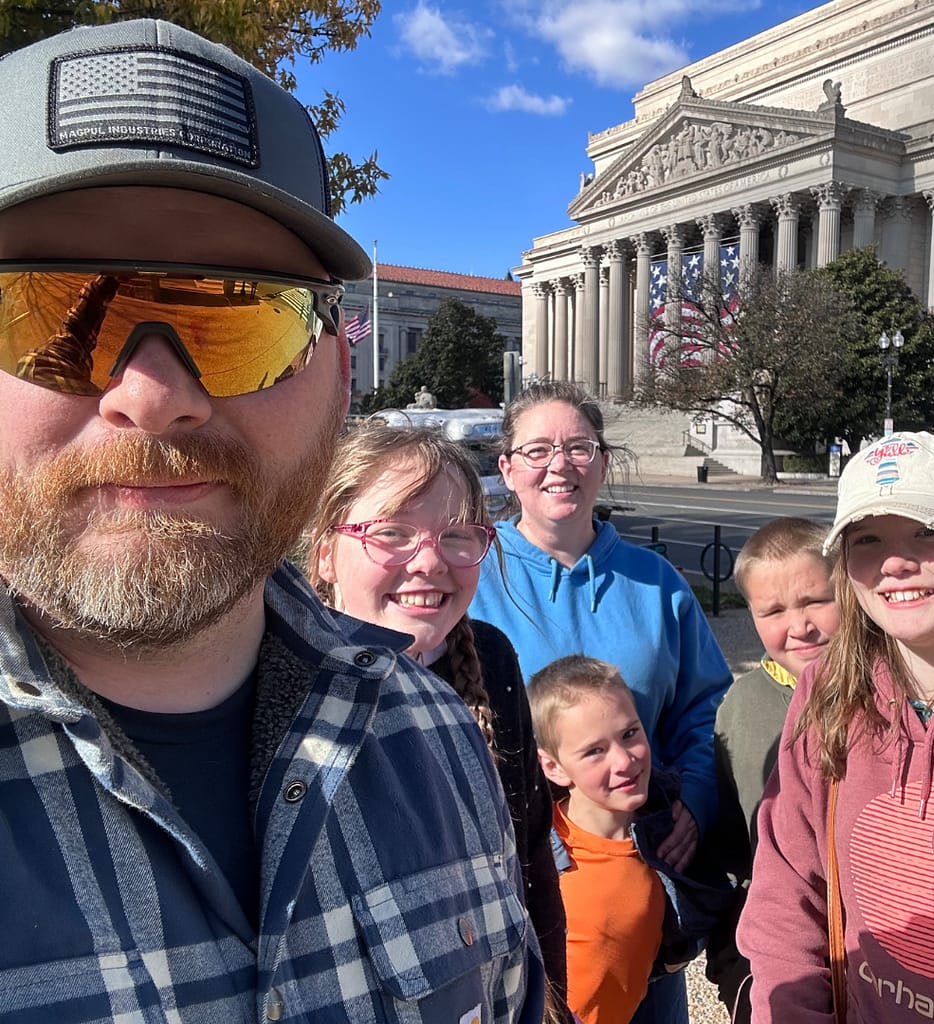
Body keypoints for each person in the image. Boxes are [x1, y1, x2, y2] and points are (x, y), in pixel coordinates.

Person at [0, 20, 541, 1024]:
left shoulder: (434, 739)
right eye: (50, 311)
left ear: (340, 380)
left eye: (240, 314)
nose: (153, 395)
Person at [738, 431, 934, 1022]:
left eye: (929, 531)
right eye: (868, 539)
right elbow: (787, 896)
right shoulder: (830, 695)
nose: (896, 561)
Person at [469, 381, 732, 1022]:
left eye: (578, 447)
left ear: (603, 462)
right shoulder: (472, 575)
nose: (558, 464)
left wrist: (694, 801)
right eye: (536, 450)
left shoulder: (657, 582)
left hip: (639, 869)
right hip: (517, 876)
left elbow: (706, 708)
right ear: (507, 469)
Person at [307, 422, 570, 1012]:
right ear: (327, 552)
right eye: (392, 533)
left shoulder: (490, 659)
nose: (429, 562)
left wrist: (550, 998)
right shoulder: (286, 682)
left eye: (456, 536)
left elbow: (530, 863)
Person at [704, 518, 839, 1022]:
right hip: (778, 953)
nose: (799, 626)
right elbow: (730, 851)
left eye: (815, 602)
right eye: (774, 611)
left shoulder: (885, 688)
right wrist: (731, 966)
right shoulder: (741, 708)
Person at [529, 655, 706, 1024]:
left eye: (630, 734)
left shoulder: (666, 833)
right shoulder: (540, 858)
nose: (624, 761)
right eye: (595, 751)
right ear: (554, 767)